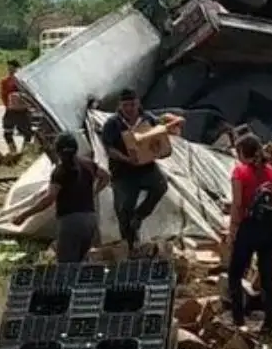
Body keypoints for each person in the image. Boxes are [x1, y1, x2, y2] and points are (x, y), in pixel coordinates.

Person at [100, 88, 183, 248]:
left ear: (138, 103)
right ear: (120, 106)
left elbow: (159, 134)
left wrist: (158, 150)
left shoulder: (147, 118)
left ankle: (140, 215)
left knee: (160, 186)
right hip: (123, 171)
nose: (130, 109)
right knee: (125, 208)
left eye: (132, 104)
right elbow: (109, 148)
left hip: (146, 167)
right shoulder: (113, 124)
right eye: (126, 105)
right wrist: (126, 159)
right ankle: (129, 245)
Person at [13, 132, 111, 262]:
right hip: (90, 218)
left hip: (70, 221)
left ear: (58, 150)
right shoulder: (88, 164)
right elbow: (106, 176)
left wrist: (24, 215)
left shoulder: (60, 171)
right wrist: (94, 192)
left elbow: (49, 199)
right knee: (82, 261)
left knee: (67, 266)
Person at [226, 134, 272, 338]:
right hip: (269, 229)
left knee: (235, 275)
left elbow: (238, 204)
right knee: (267, 276)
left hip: (248, 229)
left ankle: (239, 322)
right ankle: (269, 324)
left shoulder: (239, 173)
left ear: (242, 153)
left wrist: (232, 230)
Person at [0, 59, 33, 154]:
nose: (10, 70)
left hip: (22, 110)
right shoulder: (5, 81)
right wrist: (8, 105)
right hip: (11, 110)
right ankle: (13, 151)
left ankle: (24, 152)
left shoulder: (22, 80)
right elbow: (3, 95)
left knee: (28, 133)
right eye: (9, 68)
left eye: (12, 68)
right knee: (7, 132)